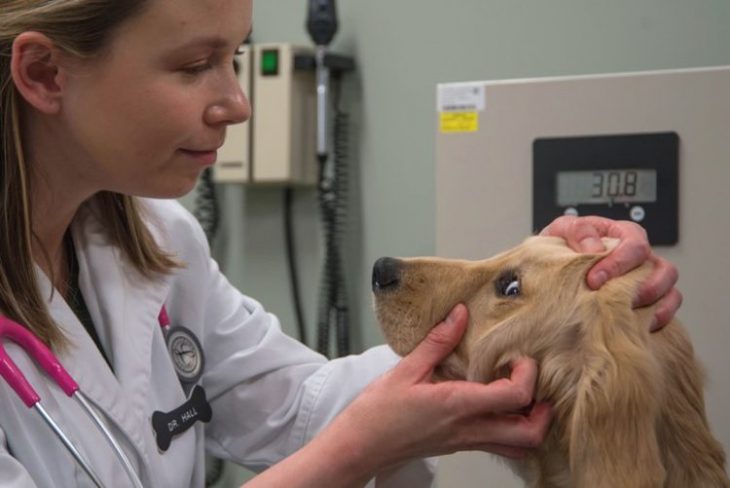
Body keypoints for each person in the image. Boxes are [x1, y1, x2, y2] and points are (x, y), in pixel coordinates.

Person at [0, 1, 682, 487]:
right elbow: (342, 435)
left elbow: (298, 407)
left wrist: (538, 307)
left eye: (233, 57)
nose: (237, 102)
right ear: (44, 75)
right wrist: (354, 453)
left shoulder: (157, 240)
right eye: (195, 65)